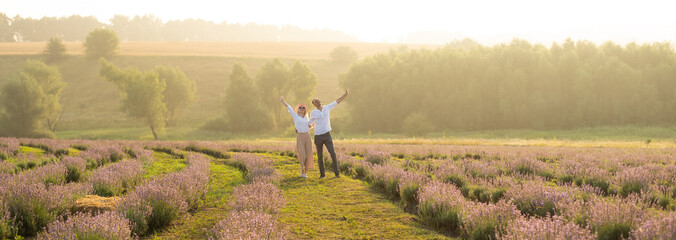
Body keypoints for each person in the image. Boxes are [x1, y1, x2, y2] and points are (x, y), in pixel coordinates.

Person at [310, 89, 349, 178]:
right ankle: (322, 174)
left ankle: (337, 173)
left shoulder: (327, 107)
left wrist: (346, 94)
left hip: (327, 135)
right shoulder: (313, 113)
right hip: (318, 137)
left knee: (333, 153)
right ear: (314, 104)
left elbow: (337, 101)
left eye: (318, 100)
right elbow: (309, 124)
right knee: (320, 156)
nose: (318, 101)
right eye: (316, 101)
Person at [280, 96, 313, 178]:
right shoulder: (295, 116)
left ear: (305, 110)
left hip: (307, 136)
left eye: (303, 108)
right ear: (298, 109)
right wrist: (283, 101)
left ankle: (305, 173)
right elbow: (289, 108)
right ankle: (302, 169)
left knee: (308, 154)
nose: (301, 109)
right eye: (300, 108)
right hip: (300, 136)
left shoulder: (307, 118)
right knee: (302, 154)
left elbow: (312, 123)